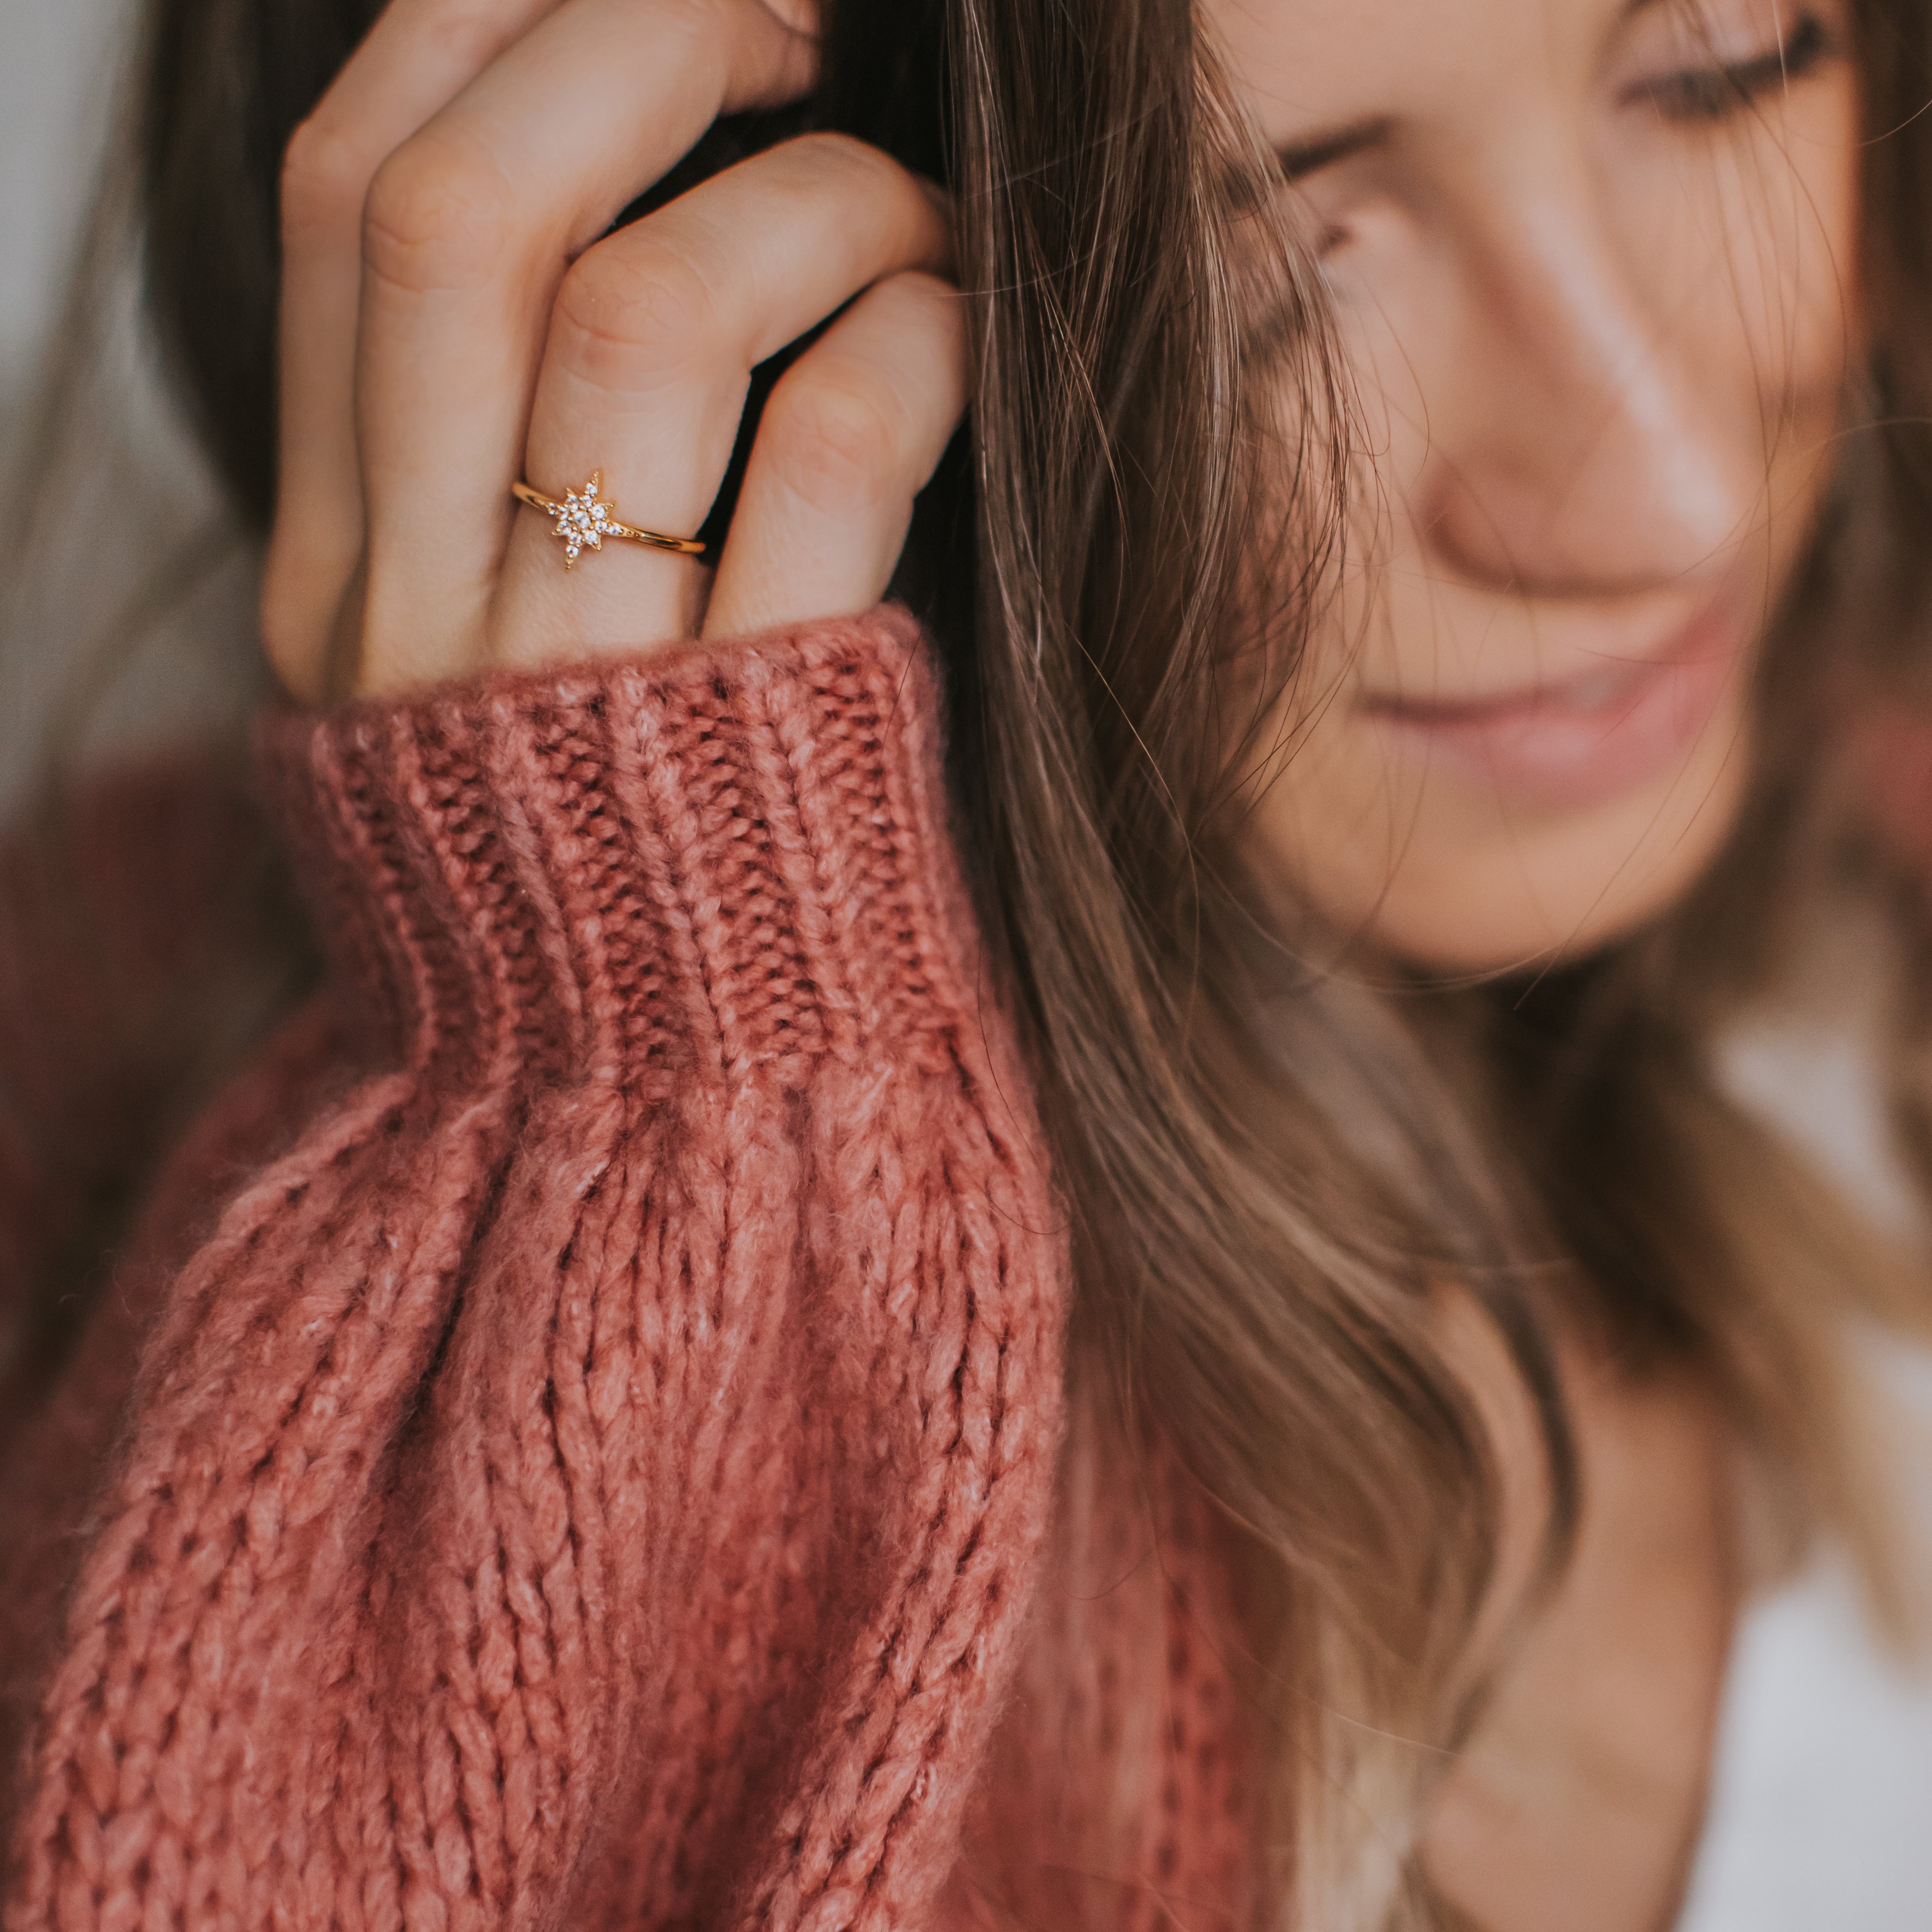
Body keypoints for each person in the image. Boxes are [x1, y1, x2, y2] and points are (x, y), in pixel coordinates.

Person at [2, 0, 1930, 1924]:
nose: (1656, 494)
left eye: (1721, 57)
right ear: (659, 269)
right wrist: (611, 1114)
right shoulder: (100, 1110)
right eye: (1240, 251)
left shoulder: (1872, 875)